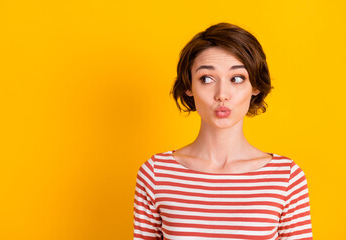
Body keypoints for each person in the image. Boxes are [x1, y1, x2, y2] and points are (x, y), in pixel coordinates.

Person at [133, 23, 312, 240]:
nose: (222, 94)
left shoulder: (286, 177)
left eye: (236, 78)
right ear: (189, 86)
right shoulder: (156, 174)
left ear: (254, 85)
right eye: (206, 79)